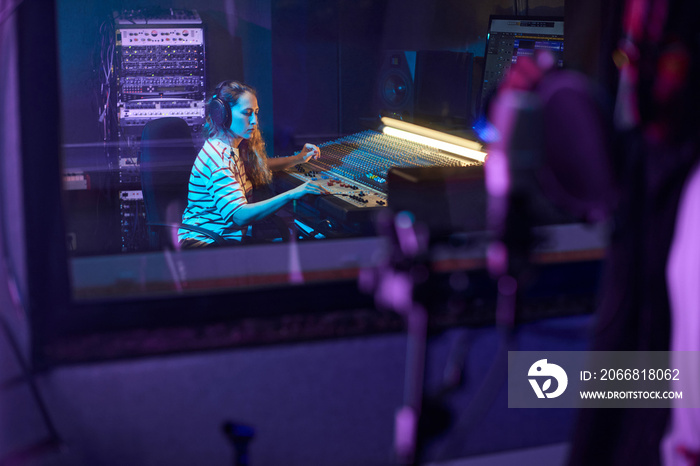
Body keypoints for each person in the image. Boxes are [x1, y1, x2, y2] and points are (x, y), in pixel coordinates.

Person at [178, 80, 329, 247]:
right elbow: (240, 215)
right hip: (205, 245)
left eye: (256, 113)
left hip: (225, 239)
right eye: (247, 113)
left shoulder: (231, 147)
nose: (254, 121)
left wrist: (299, 158)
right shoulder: (217, 158)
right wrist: (292, 194)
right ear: (222, 114)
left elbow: (262, 165)